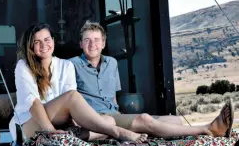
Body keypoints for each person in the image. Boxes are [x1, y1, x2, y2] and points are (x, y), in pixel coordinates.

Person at [69, 20, 234, 138]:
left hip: (114, 115)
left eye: (96, 40)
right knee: (144, 119)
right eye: (87, 40)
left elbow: (113, 96)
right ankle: (208, 129)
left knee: (175, 120)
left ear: (103, 43)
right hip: (97, 119)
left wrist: (121, 115)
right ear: (81, 44)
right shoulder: (72, 65)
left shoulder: (111, 63)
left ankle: (141, 129)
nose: (92, 44)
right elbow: (69, 98)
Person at [8, 22, 148, 144]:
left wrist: (74, 125)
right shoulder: (23, 66)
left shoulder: (65, 65)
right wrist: (50, 131)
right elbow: (32, 103)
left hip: (57, 122)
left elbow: (69, 107)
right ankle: (117, 132)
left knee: (108, 120)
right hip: (29, 124)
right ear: (30, 46)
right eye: (37, 42)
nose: (44, 45)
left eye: (47, 39)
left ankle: (80, 135)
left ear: (53, 40)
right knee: (72, 97)